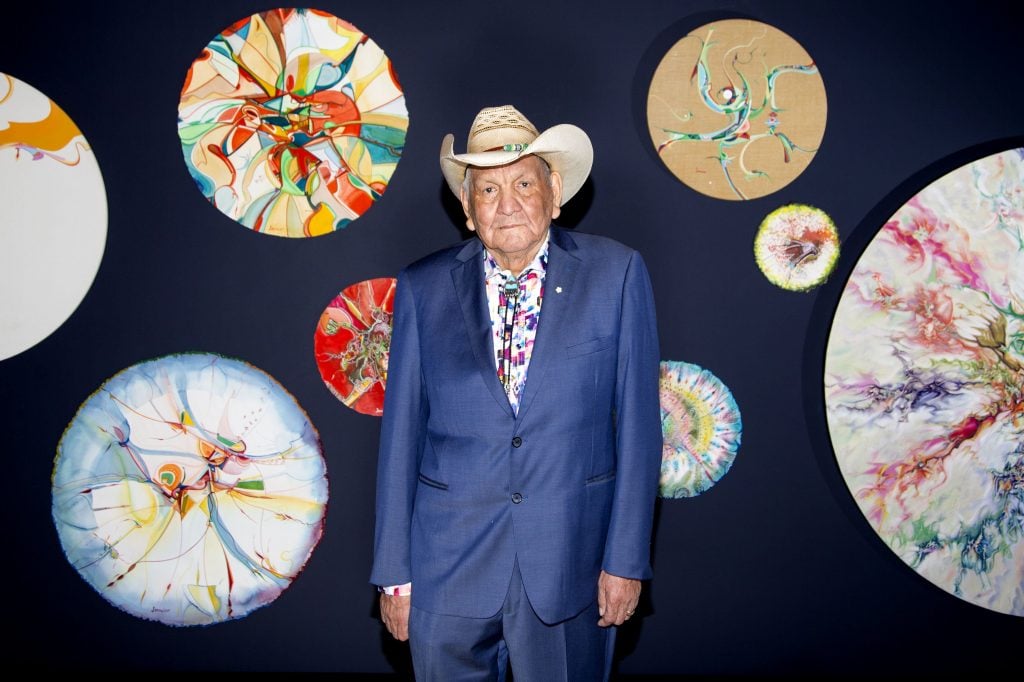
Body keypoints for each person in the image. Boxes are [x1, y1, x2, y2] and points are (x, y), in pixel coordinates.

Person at [370, 105, 662, 680]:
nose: (507, 202)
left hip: (569, 568)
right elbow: (400, 436)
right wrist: (393, 572)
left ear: (554, 194)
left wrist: (626, 562)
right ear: (468, 209)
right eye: (487, 189)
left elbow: (639, 431)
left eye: (524, 183)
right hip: (444, 571)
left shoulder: (617, 274)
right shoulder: (423, 287)